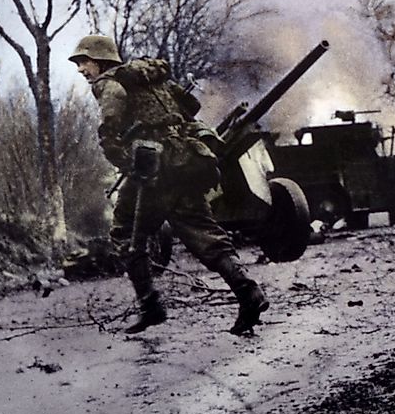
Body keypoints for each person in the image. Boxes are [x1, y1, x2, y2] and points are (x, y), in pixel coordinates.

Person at [69, 35, 269, 335]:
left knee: (124, 232)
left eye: (83, 62)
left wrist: (128, 164)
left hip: (154, 173)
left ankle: (151, 306)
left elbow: (108, 135)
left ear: (99, 60)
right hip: (184, 163)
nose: (81, 69)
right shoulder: (150, 76)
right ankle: (248, 292)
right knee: (206, 235)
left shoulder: (109, 84)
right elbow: (191, 106)